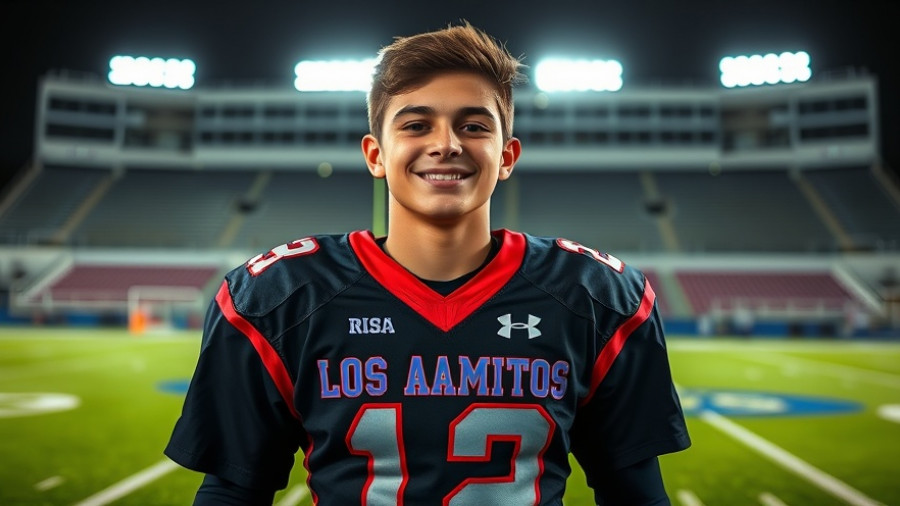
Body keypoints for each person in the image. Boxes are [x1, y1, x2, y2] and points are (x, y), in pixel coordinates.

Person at [165, 21, 691, 505]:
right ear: (375, 154)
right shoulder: (280, 297)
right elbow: (233, 492)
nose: (445, 144)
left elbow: (636, 492)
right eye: (416, 125)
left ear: (507, 156)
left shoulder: (596, 297)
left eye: (475, 126)